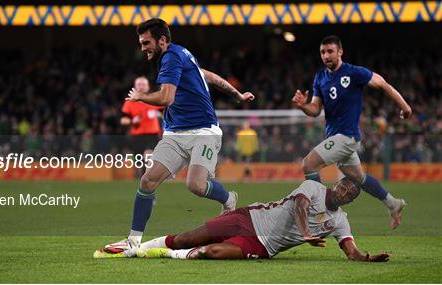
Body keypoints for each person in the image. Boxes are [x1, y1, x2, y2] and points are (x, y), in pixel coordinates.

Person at [103, 18, 255, 255]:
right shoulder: (180, 55)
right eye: (141, 43)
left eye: (146, 43)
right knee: (147, 181)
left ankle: (228, 199)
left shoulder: (172, 57)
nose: (143, 48)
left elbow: (166, 98)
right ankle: (132, 242)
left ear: (162, 40)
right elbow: (210, 76)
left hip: (204, 132)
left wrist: (141, 97)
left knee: (195, 185)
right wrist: (237, 94)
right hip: (175, 133)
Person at [95, 177, 389, 262]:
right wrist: (305, 233)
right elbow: (300, 205)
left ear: (352, 199)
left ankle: (158, 254)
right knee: (188, 237)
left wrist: (366, 258)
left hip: (263, 246)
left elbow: (350, 252)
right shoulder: (313, 187)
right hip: (248, 218)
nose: (345, 192)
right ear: (336, 183)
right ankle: (136, 248)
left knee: (208, 252)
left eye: (351, 192)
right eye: (344, 185)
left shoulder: (340, 221)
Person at [291, 35, 412, 229]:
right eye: (323, 52)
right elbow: (315, 110)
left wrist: (404, 107)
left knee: (309, 164)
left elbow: (382, 84)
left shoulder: (354, 72)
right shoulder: (320, 77)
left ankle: (318, 213)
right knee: (360, 178)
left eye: (330, 51)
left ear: (340, 52)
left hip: (347, 137)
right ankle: (393, 204)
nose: (326, 55)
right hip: (335, 137)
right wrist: (303, 106)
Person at [121, 76, 163, 178]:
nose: (141, 86)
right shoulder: (130, 102)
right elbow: (123, 120)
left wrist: (158, 115)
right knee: (139, 163)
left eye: (143, 84)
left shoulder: (154, 99)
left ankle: (148, 179)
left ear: (148, 87)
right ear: (135, 87)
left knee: (148, 155)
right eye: (139, 84)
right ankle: (141, 179)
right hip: (137, 136)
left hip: (152, 135)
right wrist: (132, 121)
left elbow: (166, 114)